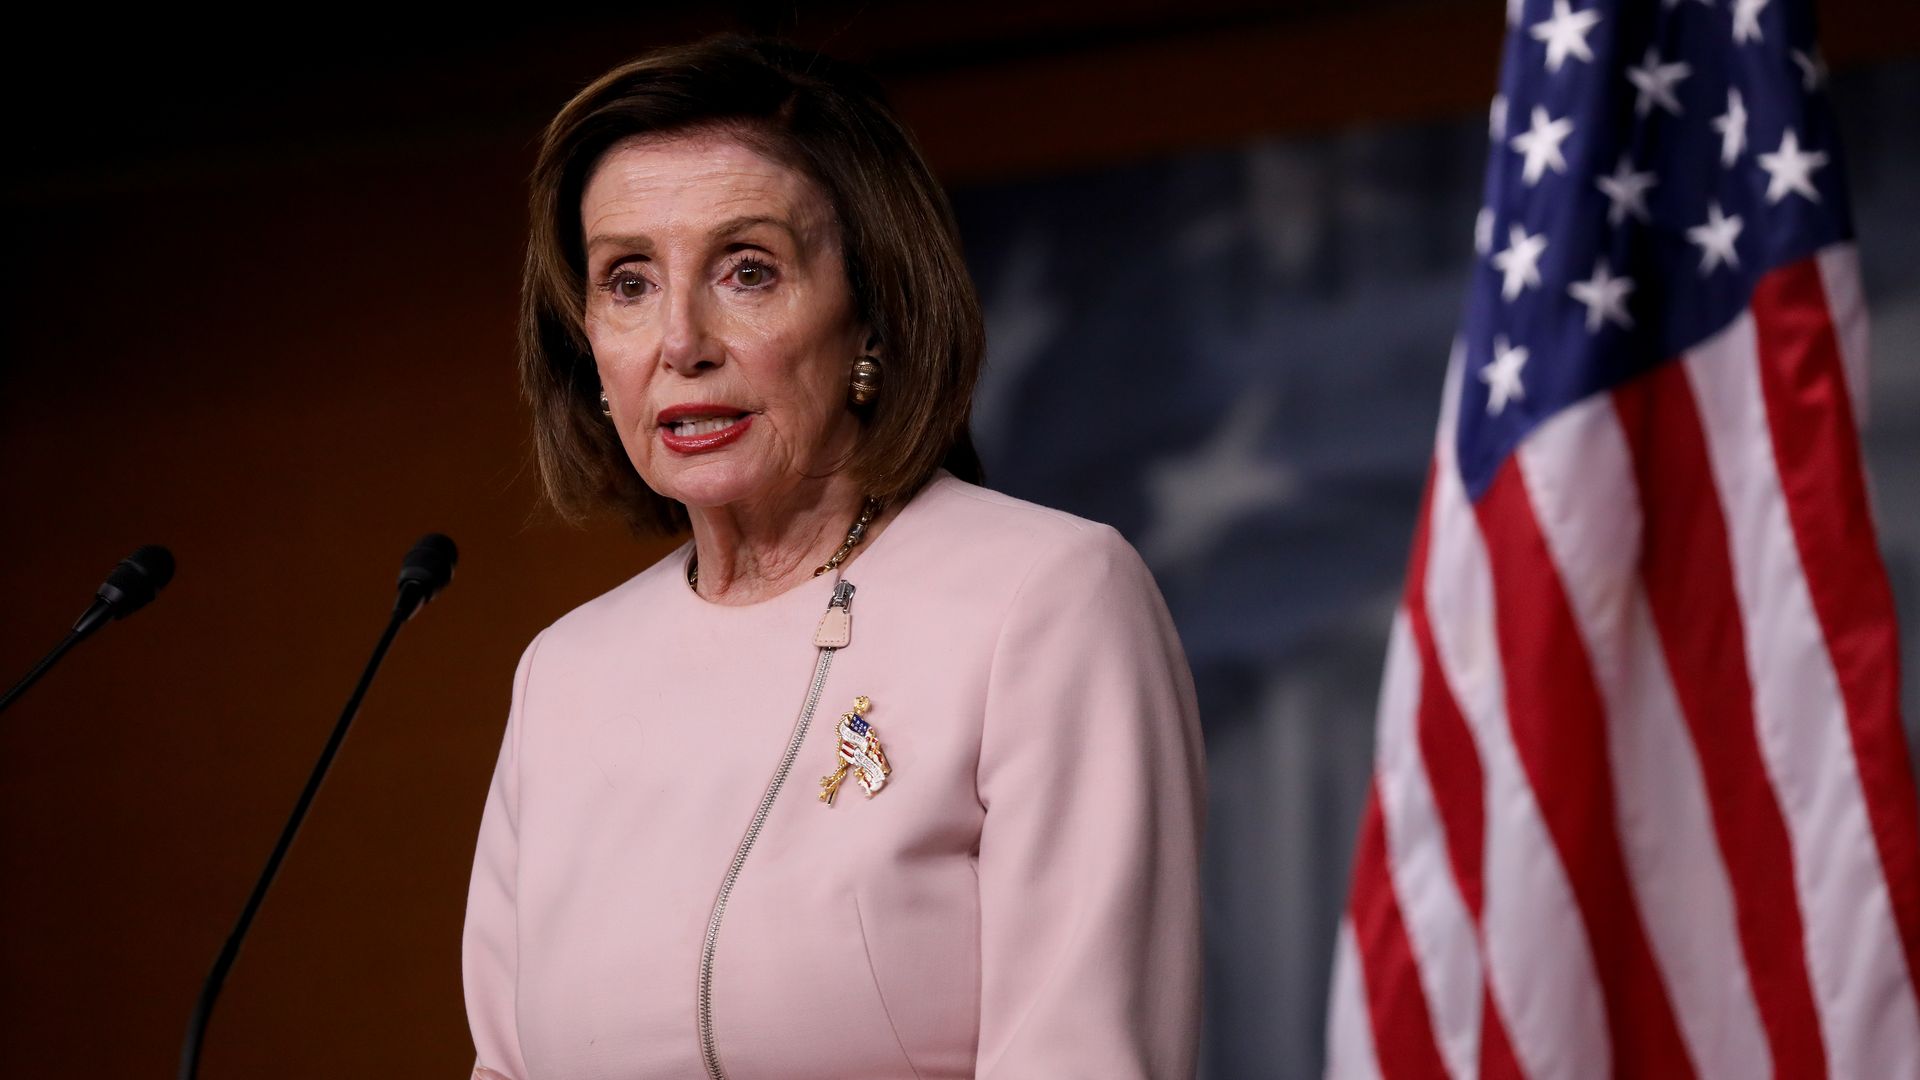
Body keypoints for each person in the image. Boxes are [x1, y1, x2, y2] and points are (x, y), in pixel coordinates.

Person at [462, 35, 1205, 1080]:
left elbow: (1081, 1055)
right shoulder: (563, 675)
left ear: (874, 310)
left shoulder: (1045, 599)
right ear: (586, 341)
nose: (682, 340)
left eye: (748, 270)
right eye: (628, 281)